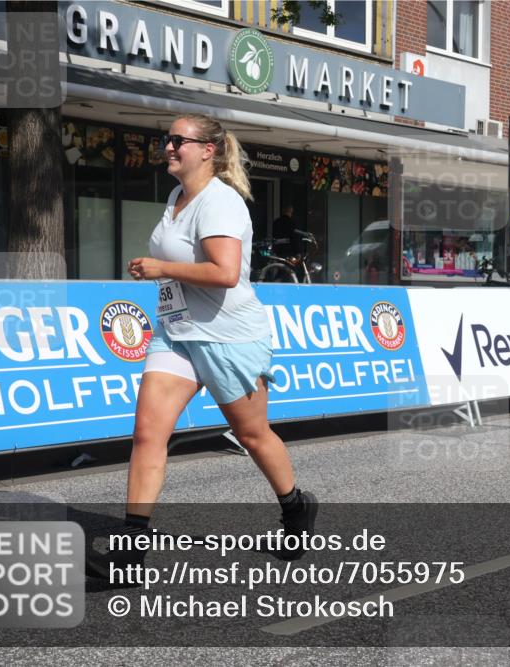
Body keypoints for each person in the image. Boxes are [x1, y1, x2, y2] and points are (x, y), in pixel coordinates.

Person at [88, 113, 316, 577]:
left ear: (208, 150)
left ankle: (296, 508)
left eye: (178, 141)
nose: (168, 147)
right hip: (176, 332)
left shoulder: (220, 203)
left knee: (253, 435)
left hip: (227, 337)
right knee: (149, 433)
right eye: (166, 140)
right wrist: (157, 270)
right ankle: (131, 554)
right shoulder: (176, 196)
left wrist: (160, 269)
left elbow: (225, 274)